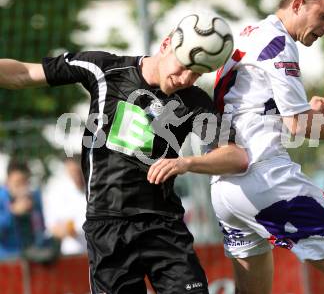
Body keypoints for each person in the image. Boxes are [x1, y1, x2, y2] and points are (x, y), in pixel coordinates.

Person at [0, 19, 248, 294]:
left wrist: (186, 162)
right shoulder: (105, 70)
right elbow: (24, 73)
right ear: (167, 44)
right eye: (184, 68)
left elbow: (236, 156)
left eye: (196, 74)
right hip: (108, 228)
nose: (185, 79)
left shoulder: (195, 101)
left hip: (163, 227)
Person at [210, 0, 324, 294]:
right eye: (323, 16)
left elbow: (254, 111)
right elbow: (299, 127)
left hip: (226, 187)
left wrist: (304, 111)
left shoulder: (248, 34)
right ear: (297, 4)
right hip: (265, 177)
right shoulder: (279, 43)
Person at [0, 160, 47, 260]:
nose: (22, 187)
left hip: (31, 256)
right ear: (7, 181)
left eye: (25, 182)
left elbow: (42, 229)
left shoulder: (34, 198)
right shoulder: (1, 199)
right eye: (17, 183)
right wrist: (12, 213)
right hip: (6, 261)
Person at [43, 155, 87, 255]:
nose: (76, 175)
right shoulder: (57, 192)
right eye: (72, 171)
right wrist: (66, 231)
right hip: (74, 253)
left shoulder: (97, 188)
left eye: (78, 171)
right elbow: (52, 227)